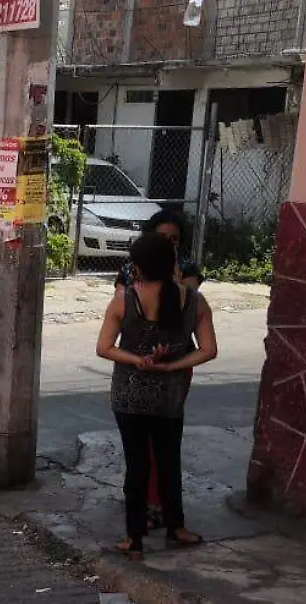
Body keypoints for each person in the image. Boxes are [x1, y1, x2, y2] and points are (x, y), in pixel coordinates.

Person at [96, 232, 218, 560]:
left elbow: (104, 348)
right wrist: (173, 366)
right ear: (172, 263)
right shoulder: (193, 300)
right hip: (170, 395)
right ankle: (177, 527)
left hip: (129, 396)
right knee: (168, 461)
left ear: (136, 267)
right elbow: (208, 350)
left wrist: (137, 360)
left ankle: (133, 538)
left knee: (137, 467)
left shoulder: (124, 300)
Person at [114, 209, 203, 532]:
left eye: (174, 240)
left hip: (161, 375)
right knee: (149, 455)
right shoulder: (129, 280)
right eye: (164, 239)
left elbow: (186, 315)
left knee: (159, 454)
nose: (169, 244)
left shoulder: (187, 277)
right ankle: (152, 516)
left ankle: (145, 525)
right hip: (150, 375)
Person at [115, 209, 204, 291]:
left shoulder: (187, 269)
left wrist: (175, 272)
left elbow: (189, 303)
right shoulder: (130, 269)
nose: (168, 243)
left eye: (174, 238)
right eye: (162, 237)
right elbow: (120, 302)